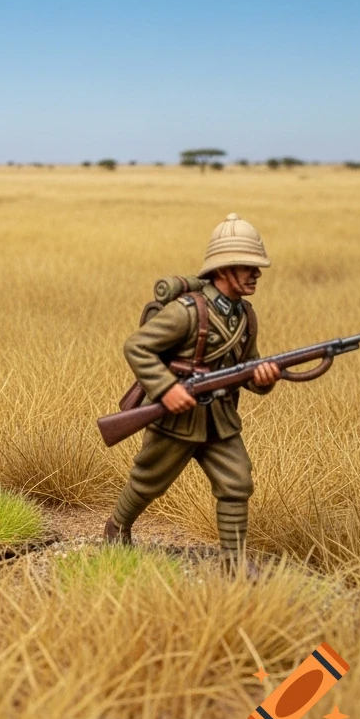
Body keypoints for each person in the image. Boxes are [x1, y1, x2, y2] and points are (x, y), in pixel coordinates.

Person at [104, 213, 281, 573]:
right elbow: (137, 347)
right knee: (148, 480)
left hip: (219, 420)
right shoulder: (187, 313)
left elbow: (248, 366)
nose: (256, 274)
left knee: (237, 483)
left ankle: (234, 561)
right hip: (177, 417)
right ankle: (116, 527)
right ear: (225, 268)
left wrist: (263, 378)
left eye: (256, 267)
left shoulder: (246, 316)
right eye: (248, 266)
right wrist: (166, 389)